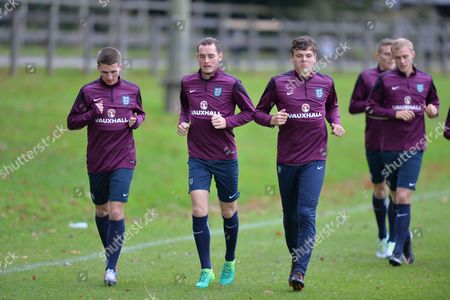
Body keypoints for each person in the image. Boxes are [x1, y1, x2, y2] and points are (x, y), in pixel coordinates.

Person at [254, 36, 345, 291]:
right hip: (287, 158)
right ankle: (297, 259)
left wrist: (334, 122)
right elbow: (257, 112)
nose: (304, 60)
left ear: (315, 57)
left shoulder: (326, 82)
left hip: (316, 157)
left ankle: (299, 270)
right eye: (299, 55)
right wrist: (272, 119)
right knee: (290, 216)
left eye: (308, 56)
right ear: (292, 57)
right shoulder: (279, 83)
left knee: (306, 212)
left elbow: (332, 106)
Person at [177, 37, 255, 288]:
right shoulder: (187, 82)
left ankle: (230, 261)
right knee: (199, 210)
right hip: (197, 157)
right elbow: (185, 108)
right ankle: (206, 269)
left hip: (225, 157)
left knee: (227, 210)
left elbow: (250, 112)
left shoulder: (232, 83)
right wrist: (184, 121)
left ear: (220, 56)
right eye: (202, 56)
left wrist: (227, 121)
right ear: (197, 57)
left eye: (211, 56)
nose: (207, 60)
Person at [67, 47, 145, 286]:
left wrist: (136, 121)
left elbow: (140, 114)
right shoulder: (88, 91)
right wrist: (91, 113)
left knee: (116, 211)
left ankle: (111, 268)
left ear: (120, 67)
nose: (110, 77)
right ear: (98, 69)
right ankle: (112, 255)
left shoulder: (132, 90)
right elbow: (71, 123)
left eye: (113, 71)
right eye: (105, 72)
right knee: (101, 210)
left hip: (124, 159)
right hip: (98, 161)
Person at [367, 38, 439, 266]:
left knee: (404, 195)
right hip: (388, 147)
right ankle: (406, 244)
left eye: (405, 56)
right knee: (396, 197)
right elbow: (370, 107)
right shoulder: (384, 80)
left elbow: (434, 104)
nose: (401, 61)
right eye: (397, 57)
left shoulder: (425, 79)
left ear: (413, 54)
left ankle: (396, 251)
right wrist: (393, 114)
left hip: (415, 147)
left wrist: (432, 110)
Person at [349, 38, 396, 258]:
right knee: (380, 189)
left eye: (394, 53)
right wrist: (373, 103)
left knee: (399, 192)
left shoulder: (406, 79)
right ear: (378, 55)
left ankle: (398, 236)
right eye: (386, 53)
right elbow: (352, 106)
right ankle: (383, 236)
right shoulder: (367, 77)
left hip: (401, 143)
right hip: (375, 142)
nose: (391, 57)